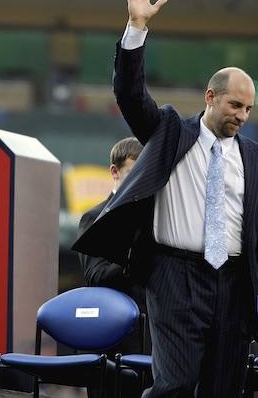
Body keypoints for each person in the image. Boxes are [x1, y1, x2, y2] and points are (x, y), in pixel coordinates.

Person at [73, 0, 258, 398]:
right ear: (210, 97)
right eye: (234, 105)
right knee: (172, 384)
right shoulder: (170, 130)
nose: (242, 115)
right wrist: (137, 27)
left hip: (234, 282)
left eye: (248, 108)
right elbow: (130, 95)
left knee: (223, 388)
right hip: (173, 275)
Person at [78, 136, 148, 398]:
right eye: (133, 173)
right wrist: (134, 257)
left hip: (153, 339)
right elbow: (95, 276)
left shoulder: (157, 218)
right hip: (110, 344)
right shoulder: (95, 218)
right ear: (114, 172)